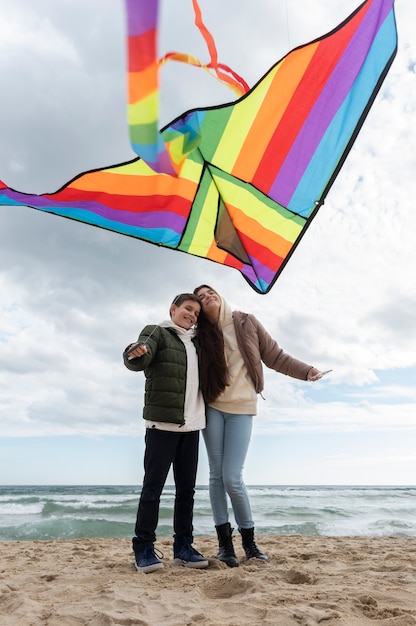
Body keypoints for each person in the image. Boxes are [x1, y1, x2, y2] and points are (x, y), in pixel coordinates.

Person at [193, 284, 322, 568]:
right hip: (212, 406)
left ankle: (249, 543)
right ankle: (225, 546)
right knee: (216, 475)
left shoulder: (245, 321)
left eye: (210, 292)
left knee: (232, 477)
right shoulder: (199, 335)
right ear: (199, 309)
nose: (208, 297)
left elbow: (275, 356)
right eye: (201, 297)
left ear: (220, 295)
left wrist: (306, 371)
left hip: (242, 408)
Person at [123, 293, 209, 573]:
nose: (192, 315)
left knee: (187, 492)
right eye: (187, 309)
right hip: (162, 425)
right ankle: (144, 548)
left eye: (196, 312)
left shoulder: (197, 342)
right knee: (153, 490)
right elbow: (139, 357)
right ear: (173, 309)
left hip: (192, 426)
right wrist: (133, 353)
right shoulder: (157, 331)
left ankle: (183, 546)